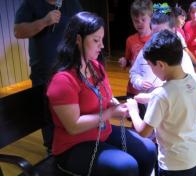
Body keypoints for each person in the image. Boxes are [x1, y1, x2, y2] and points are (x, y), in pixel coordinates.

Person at [46, 11, 156, 176]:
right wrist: (111, 112)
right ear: (77, 40)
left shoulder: (95, 67)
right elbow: (73, 126)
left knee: (148, 150)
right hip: (73, 146)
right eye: (96, 40)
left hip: (102, 132)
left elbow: (105, 97)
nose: (102, 45)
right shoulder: (63, 80)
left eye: (101, 39)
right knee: (126, 166)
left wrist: (114, 104)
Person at [127, 30, 196, 176]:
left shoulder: (161, 95)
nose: (151, 69)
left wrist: (133, 111)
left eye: (150, 65)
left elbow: (144, 132)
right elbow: (178, 97)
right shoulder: (194, 79)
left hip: (174, 163)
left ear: (161, 65)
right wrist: (150, 97)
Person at [14, 0, 83, 154]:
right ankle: (52, 148)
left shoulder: (73, 3)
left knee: (74, 104)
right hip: (44, 71)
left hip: (71, 68)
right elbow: (18, 31)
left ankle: (74, 141)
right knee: (46, 109)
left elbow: (83, 28)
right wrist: (45, 21)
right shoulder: (30, 4)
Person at [130, 3, 196, 96]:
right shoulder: (145, 52)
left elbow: (188, 86)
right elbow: (134, 72)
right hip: (146, 105)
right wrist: (139, 82)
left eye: (162, 33)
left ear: (173, 30)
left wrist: (156, 97)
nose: (158, 38)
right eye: (154, 33)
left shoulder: (181, 56)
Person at [118, 0, 153, 118]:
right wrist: (124, 61)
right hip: (133, 88)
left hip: (150, 89)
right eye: (136, 21)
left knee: (148, 119)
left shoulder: (156, 38)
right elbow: (129, 61)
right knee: (134, 117)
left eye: (143, 19)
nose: (140, 23)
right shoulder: (130, 40)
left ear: (150, 18)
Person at [173, 4, 196, 74]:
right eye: (182, 19)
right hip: (178, 62)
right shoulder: (177, 31)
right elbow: (186, 50)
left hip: (184, 60)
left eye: (184, 19)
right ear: (174, 18)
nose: (184, 21)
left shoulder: (181, 30)